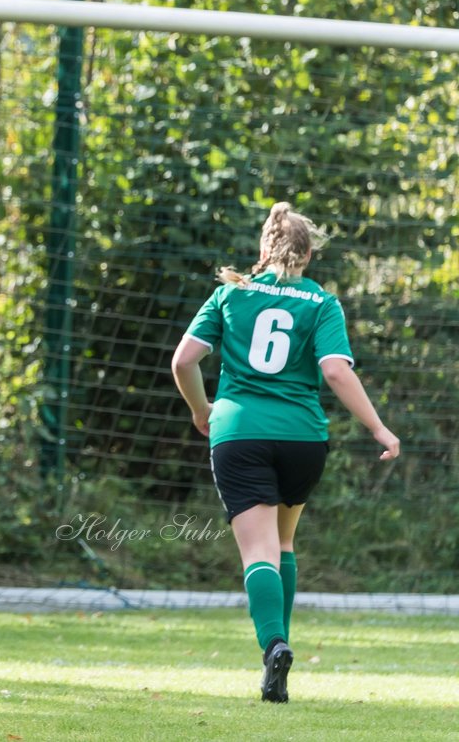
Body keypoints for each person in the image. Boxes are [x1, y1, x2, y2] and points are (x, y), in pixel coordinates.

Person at [171, 202, 400, 704]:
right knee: (284, 543)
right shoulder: (321, 302)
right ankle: (280, 656)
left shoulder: (232, 291)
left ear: (262, 249)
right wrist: (379, 428)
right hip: (302, 437)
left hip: (239, 432)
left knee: (259, 553)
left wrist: (200, 408)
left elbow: (184, 359)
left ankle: (273, 645)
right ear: (310, 254)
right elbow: (337, 371)